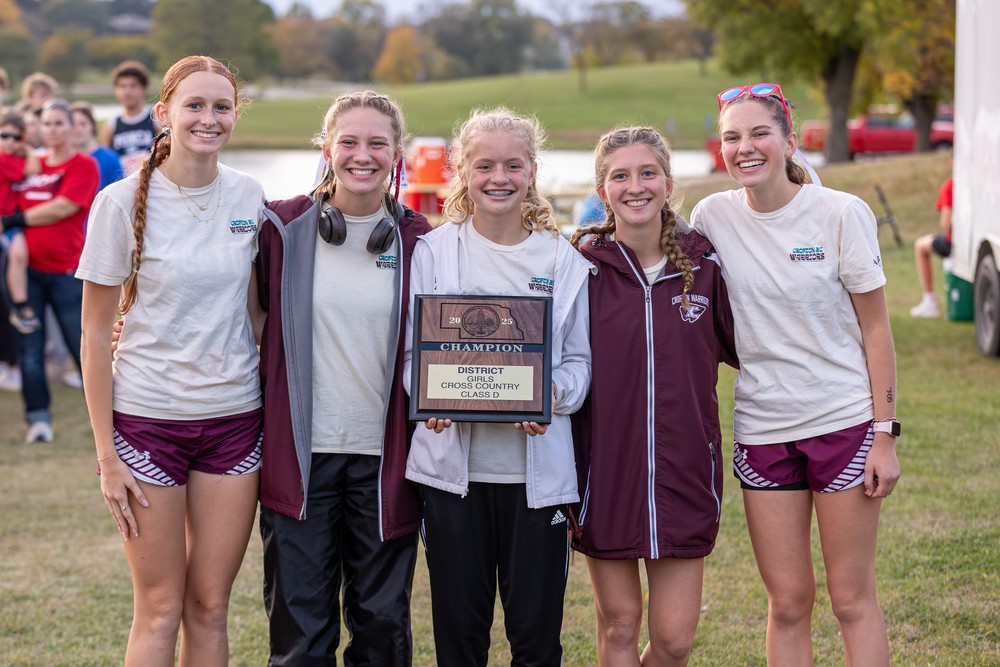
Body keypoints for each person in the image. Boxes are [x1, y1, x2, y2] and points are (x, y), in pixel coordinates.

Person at [691, 83, 900, 665]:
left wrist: (885, 435)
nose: (745, 148)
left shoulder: (840, 213)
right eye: (732, 137)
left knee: (851, 598)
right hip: (763, 427)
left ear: (791, 141)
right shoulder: (711, 217)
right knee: (787, 602)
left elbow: (877, 330)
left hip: (844, 422)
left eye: (759, 133)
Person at [76, 55, 265, 665]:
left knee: (209, 605)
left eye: (221, 106)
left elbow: (257, 315)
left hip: (235, 422)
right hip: (148, 425)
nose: (209, 118)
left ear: (235, 115)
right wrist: (107, 459)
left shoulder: (248, 195)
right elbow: (94, 334)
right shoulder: (119, 202)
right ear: (164, 113)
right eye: (195, 105)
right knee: (160, 607)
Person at [402, 107, 592, 666]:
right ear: (462, 170)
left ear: (532, 171)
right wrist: (428, 399)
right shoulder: (434, 251)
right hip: (451, 476)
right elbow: (414, 355)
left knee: (536, 640)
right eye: (484, 166)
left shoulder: (562, 259)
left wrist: (548, 398)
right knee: (460, 640)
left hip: (537, 481)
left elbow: (579, 367)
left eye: (512, 165)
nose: (499, 178)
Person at [256, 90, 431, 666]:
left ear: (396, 152)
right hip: (300, 458)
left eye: (377, 143)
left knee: (382, 628)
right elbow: (239, 313)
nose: (363, 155)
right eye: (349, 141)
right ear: (326, 147)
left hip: (386, 462)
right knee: (301, 635)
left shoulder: (419, 239)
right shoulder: (280, 228)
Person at [568, 126, 738, 666]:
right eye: (620, 175)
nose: (634, 186)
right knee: (619, 626)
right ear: (603, 189)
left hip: (684, 471)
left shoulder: (706, 266)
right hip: (606, 472)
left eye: (648, 173)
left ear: (668, 183)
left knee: (674, 641)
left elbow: (756, 346)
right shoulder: (579, 267)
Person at [0, 99, 98, 442]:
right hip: (27, 275)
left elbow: (65, 207)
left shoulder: (83, 165)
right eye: (47, 123)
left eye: (59, 123)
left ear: (73, 127)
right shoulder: (30, 165)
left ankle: (110, 421)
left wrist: (17, 219)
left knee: (83, 345)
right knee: (30, 348)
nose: (53, 129)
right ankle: (38, 421)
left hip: (67, 271)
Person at [0, 110, 41, 334]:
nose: (9, 142)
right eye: (4, 135)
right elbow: (33, 169)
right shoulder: (5, 159)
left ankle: (20, 305)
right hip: (5, 220)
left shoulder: (14, 157)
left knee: (19, 254)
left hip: (11, 221)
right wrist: (29, 150)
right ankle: (20, 305)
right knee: (18, 255)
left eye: (16, 138)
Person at [101, 60, 159, 176]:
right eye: (122, 86)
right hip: (123, 184)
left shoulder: (157, 119)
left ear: (144, 88)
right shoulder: (111, 124)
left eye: (133, 86)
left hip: (151, 182)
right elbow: (106, 161)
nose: (127, 92)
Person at [910, 175, 953, 318]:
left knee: (920, 245)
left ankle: (930, 302)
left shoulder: (951, 184)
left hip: (954, 242)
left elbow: (946, 224)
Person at [72, 101, 124, 192]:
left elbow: (119, 192)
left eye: (83, 124)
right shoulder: (68, 159)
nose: (78, 129)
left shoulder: (109, 158)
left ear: (93, 126)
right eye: (73, 125)